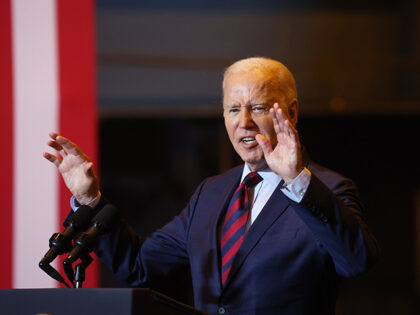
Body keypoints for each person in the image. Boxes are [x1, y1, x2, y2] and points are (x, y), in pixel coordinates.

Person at [44, 57, 378, 315]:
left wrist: (296, 180)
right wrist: (89, 199)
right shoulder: (212, 192)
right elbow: (140, 266)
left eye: (257, 108)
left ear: (291, 112)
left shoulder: (328, 188)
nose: (243, 121)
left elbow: (356, 261)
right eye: (233, 109)